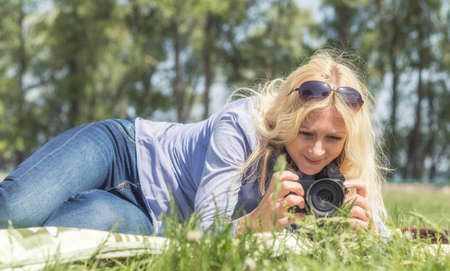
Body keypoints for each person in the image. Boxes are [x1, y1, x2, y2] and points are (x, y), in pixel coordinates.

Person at [0, 50, 388, 237]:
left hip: (152, 217)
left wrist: (367, 230)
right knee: (15, 209)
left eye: (332, 139)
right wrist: (255, 224)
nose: (317, 151)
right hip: (123, 152)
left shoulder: (339, 173)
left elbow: (380, 236)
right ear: (288, 120)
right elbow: (208, 225)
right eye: (306, 133)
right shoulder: (241, 123)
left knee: (45, 233)